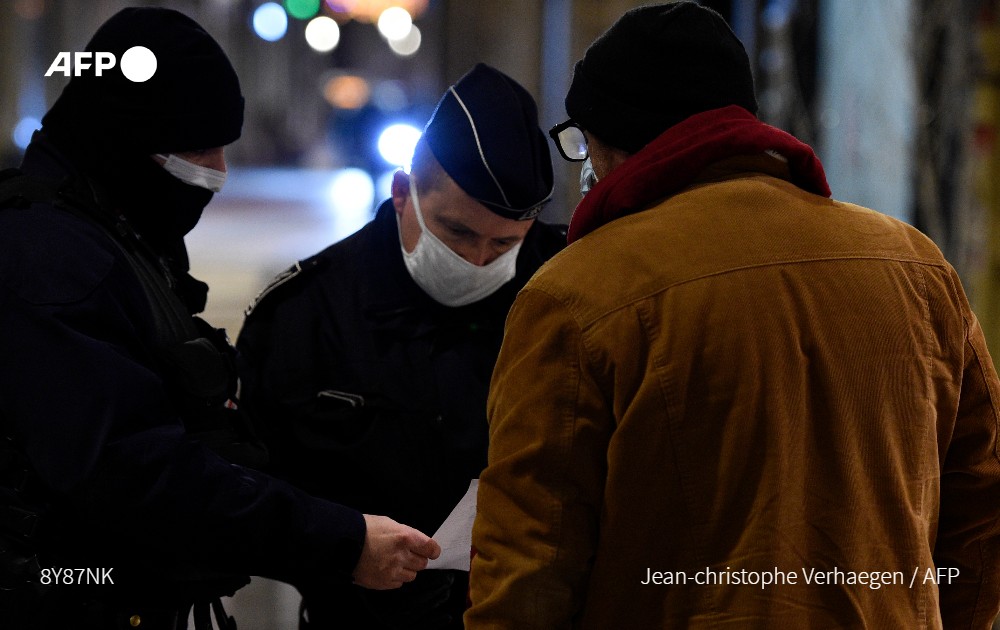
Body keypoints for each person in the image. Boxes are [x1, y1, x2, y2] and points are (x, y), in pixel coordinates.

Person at [466, 3, 1000, 629]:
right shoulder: (916, 267)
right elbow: (982, 503)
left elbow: (529, 564)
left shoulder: (575, 296)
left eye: (582, 141)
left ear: (613, 141)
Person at [0, 8, 439, 629]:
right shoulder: (54, 264)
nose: (216, 172)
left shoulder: (115, 232)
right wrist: (337, 541)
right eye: (198, 149)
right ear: (127, 140)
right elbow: (136, 475)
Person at [236, 63, 566, 629]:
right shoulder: (308, 313)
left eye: (504, 242)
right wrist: (341, 545)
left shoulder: (566, 293)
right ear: (401, 194)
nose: (479, 259)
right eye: (457, 232)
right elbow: (244, 489)